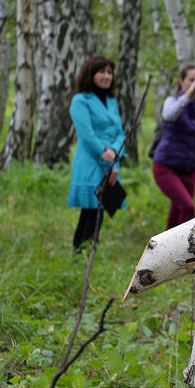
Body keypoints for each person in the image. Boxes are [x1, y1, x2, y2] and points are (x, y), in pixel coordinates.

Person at [152, 65, 195, 229]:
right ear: (181, 81)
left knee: (177, 212)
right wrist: (187, 95)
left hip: (189, 170)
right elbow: (169, 115)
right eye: (192, 80)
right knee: (188, 208)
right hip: (166, 166)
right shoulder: (172, 101)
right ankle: (183, 251)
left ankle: (165, 251)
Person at [67, 55, 126, 251]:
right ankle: (81, 255)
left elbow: (119, 132)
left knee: (98, 210)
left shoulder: (111, 100)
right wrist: (106, 154)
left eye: (110, 72)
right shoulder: (80, 100)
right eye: (102, 72)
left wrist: (114, 157)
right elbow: (86, 134)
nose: (107, 76)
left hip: (111, 160)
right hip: (90, 161)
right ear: (90, 74)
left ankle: (86, 255)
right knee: (91, 210)